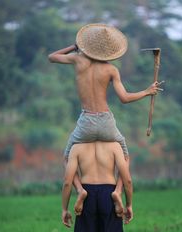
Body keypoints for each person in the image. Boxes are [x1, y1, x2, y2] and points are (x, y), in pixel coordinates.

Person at [49, 23, 163, 214]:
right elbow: (125, 99)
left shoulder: (78, 60)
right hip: (106, 122)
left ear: (87, 46)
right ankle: (118, 191)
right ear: (109, 52)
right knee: (124, 157)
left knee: (67, 158)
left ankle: (80, 190)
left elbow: (51, 57)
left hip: (85, 122)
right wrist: (147, 91)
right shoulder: (111, 70)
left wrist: (74, 47)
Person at [61, 141, 133, 232]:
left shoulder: (76, 147)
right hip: (109, 192)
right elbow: (127, 179)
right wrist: (128, 204)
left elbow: (67, 182)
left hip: (87, 194)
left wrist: (65, 208)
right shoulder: (114, 146)